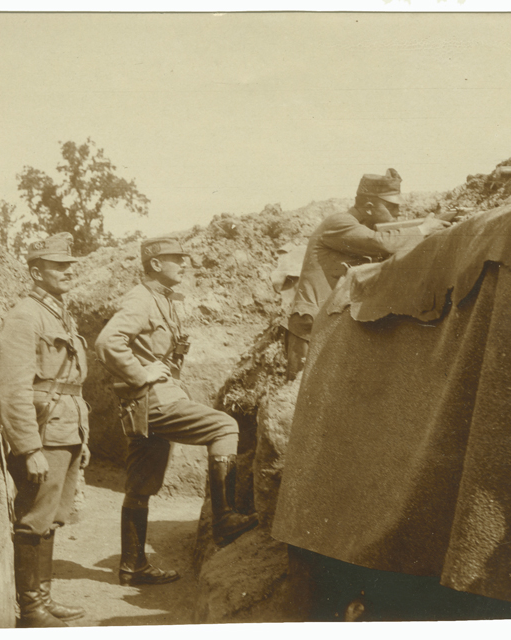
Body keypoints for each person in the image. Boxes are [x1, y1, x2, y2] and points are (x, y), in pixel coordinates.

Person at [95, 236, 258, 587]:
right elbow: (108, 342)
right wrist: (141, 374)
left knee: (141, 485)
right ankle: (224, 518)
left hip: (145, 405)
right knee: (224, 427)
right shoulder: (141, 299)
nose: (184, 264)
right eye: (176, 258)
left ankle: (133, 566)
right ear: (155, 264)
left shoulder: (162, 300)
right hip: (155, 400)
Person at [0, 232, 91, 627]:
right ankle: (31, 609)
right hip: (45, 432)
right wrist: (29, 448)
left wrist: (83, 435)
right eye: (58, 266)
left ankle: (45, 599)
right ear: (36, 272)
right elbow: (11, 388)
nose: (68, 271)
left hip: (67, 429)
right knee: (34, 517)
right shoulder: (25, 316)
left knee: (52, 516)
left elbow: (71, 384)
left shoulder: (58, 314)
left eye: (70, 265)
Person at [285, 168, 448, 378]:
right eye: (391, 207)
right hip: (311, 324)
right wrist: (422, 230)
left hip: (328, 322)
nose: (398, 213)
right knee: (303, 387)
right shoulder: (339, 223)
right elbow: (380, 243)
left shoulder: (359, 228)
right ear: (369, 207)